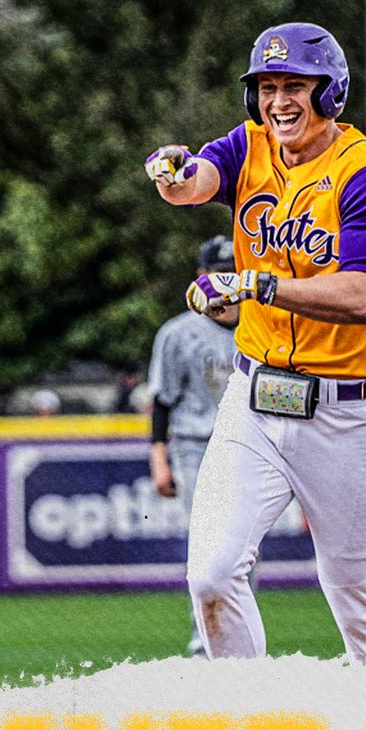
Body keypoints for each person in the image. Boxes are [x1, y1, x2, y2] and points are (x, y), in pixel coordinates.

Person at [144, 21, 366, 668]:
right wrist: (172, 174)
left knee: (354, 597)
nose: (278, 101)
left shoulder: (365, 174)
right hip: (254, 400)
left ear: (331, 92)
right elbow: (197, 182)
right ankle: (249, 725)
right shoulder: (250, 146)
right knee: (211, 576)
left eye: (296, 85)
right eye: (266, 86)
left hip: (347, 413)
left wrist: (258, 286)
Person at [147, 235, 242, 656]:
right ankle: (204, 642)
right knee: (208, 545)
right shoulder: (179, 333)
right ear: (202, 278)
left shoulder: (264, 326)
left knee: (241, 551)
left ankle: (235, 642)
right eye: (219, 274)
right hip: (194, 443)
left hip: (248, 443)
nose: (227, 282)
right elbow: (162, 400)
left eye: (234, 273)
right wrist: (158, 459)